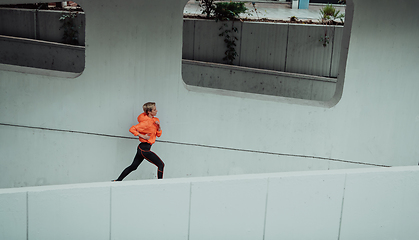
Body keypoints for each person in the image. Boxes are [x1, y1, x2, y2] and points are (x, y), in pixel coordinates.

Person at [114, 102, 165, 181]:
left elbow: (158, 135)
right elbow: (132, 129)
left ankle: (117, 181)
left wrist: (159, 127)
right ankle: (160, 184)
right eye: (154, 110)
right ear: (149, 112)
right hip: (144, 149)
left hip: (143, 148)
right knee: (161, 164)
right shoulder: (145, 123)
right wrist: (142, 136)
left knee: (133, 167)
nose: (156, 111)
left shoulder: (155, 120)